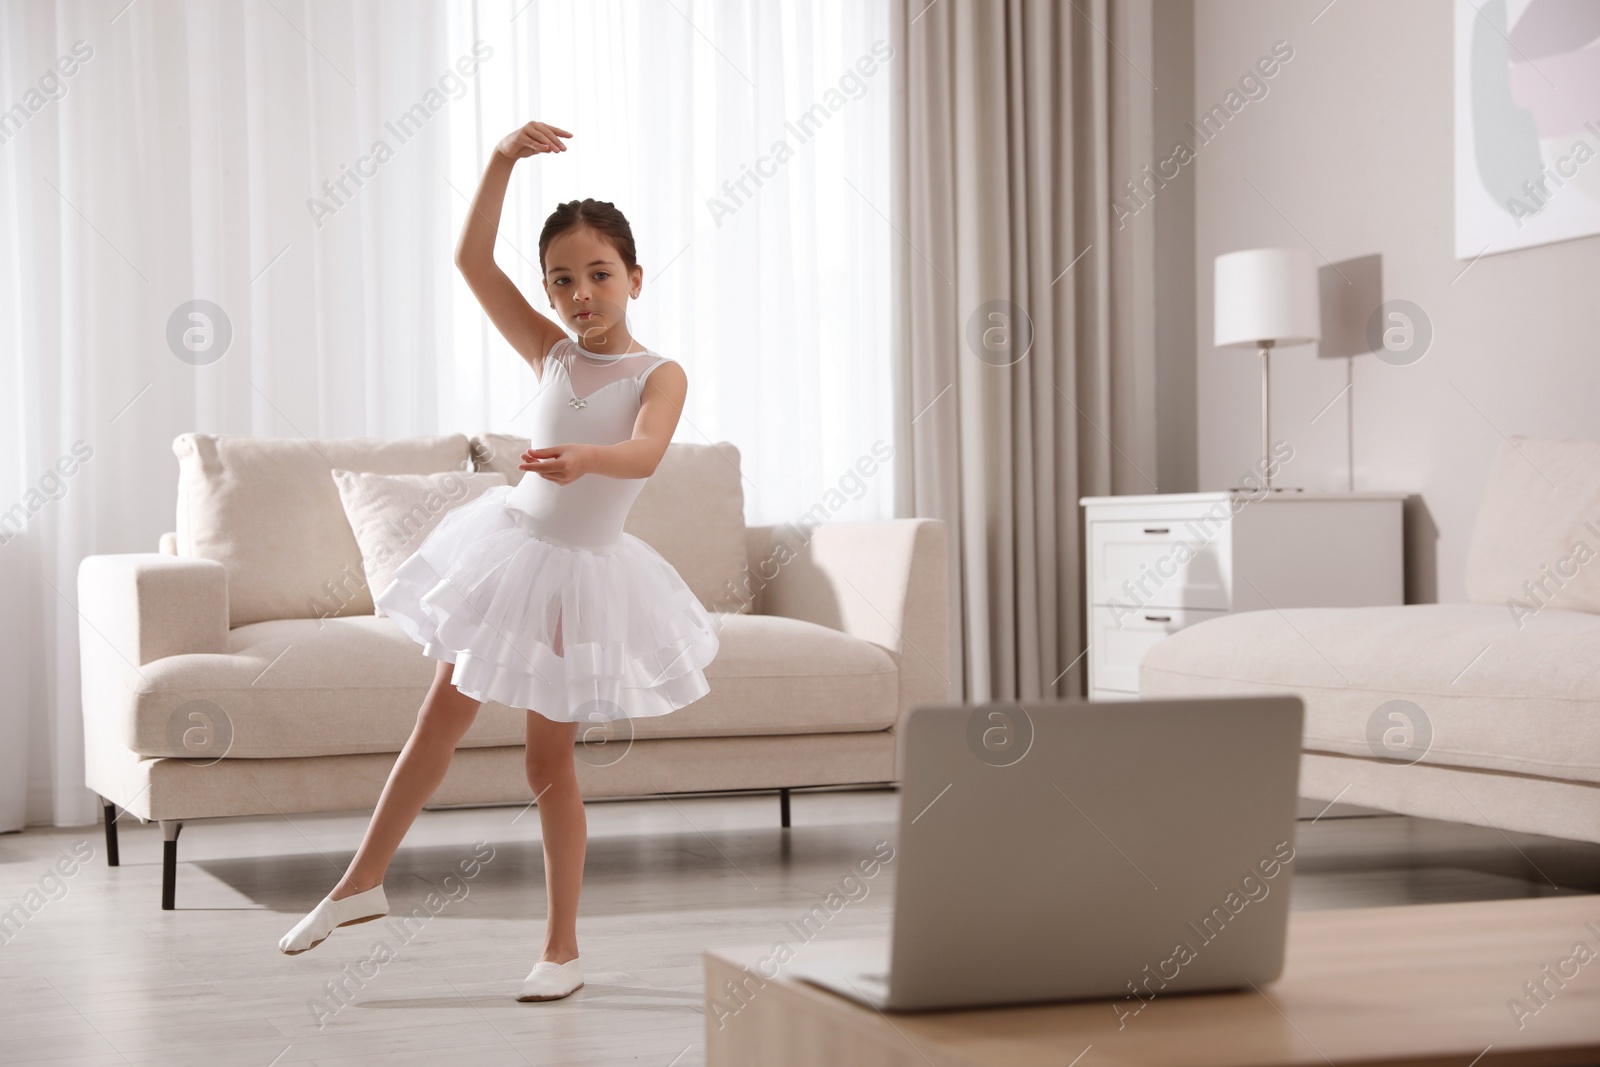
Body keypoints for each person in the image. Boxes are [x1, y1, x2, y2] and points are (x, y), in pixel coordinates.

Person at [276, 120, 720, 1004]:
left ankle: (562, 948)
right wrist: (499, 161)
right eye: (562, 279)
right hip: (511, 554)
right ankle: (361, 882)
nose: (580, 293)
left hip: (581, 578)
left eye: (599, 275)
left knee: (547, 764)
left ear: (634, 278)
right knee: (436, 721)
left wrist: (590, 460)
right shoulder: (549, 352)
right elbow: (472, 261)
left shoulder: (657, 371)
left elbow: (646, 451)